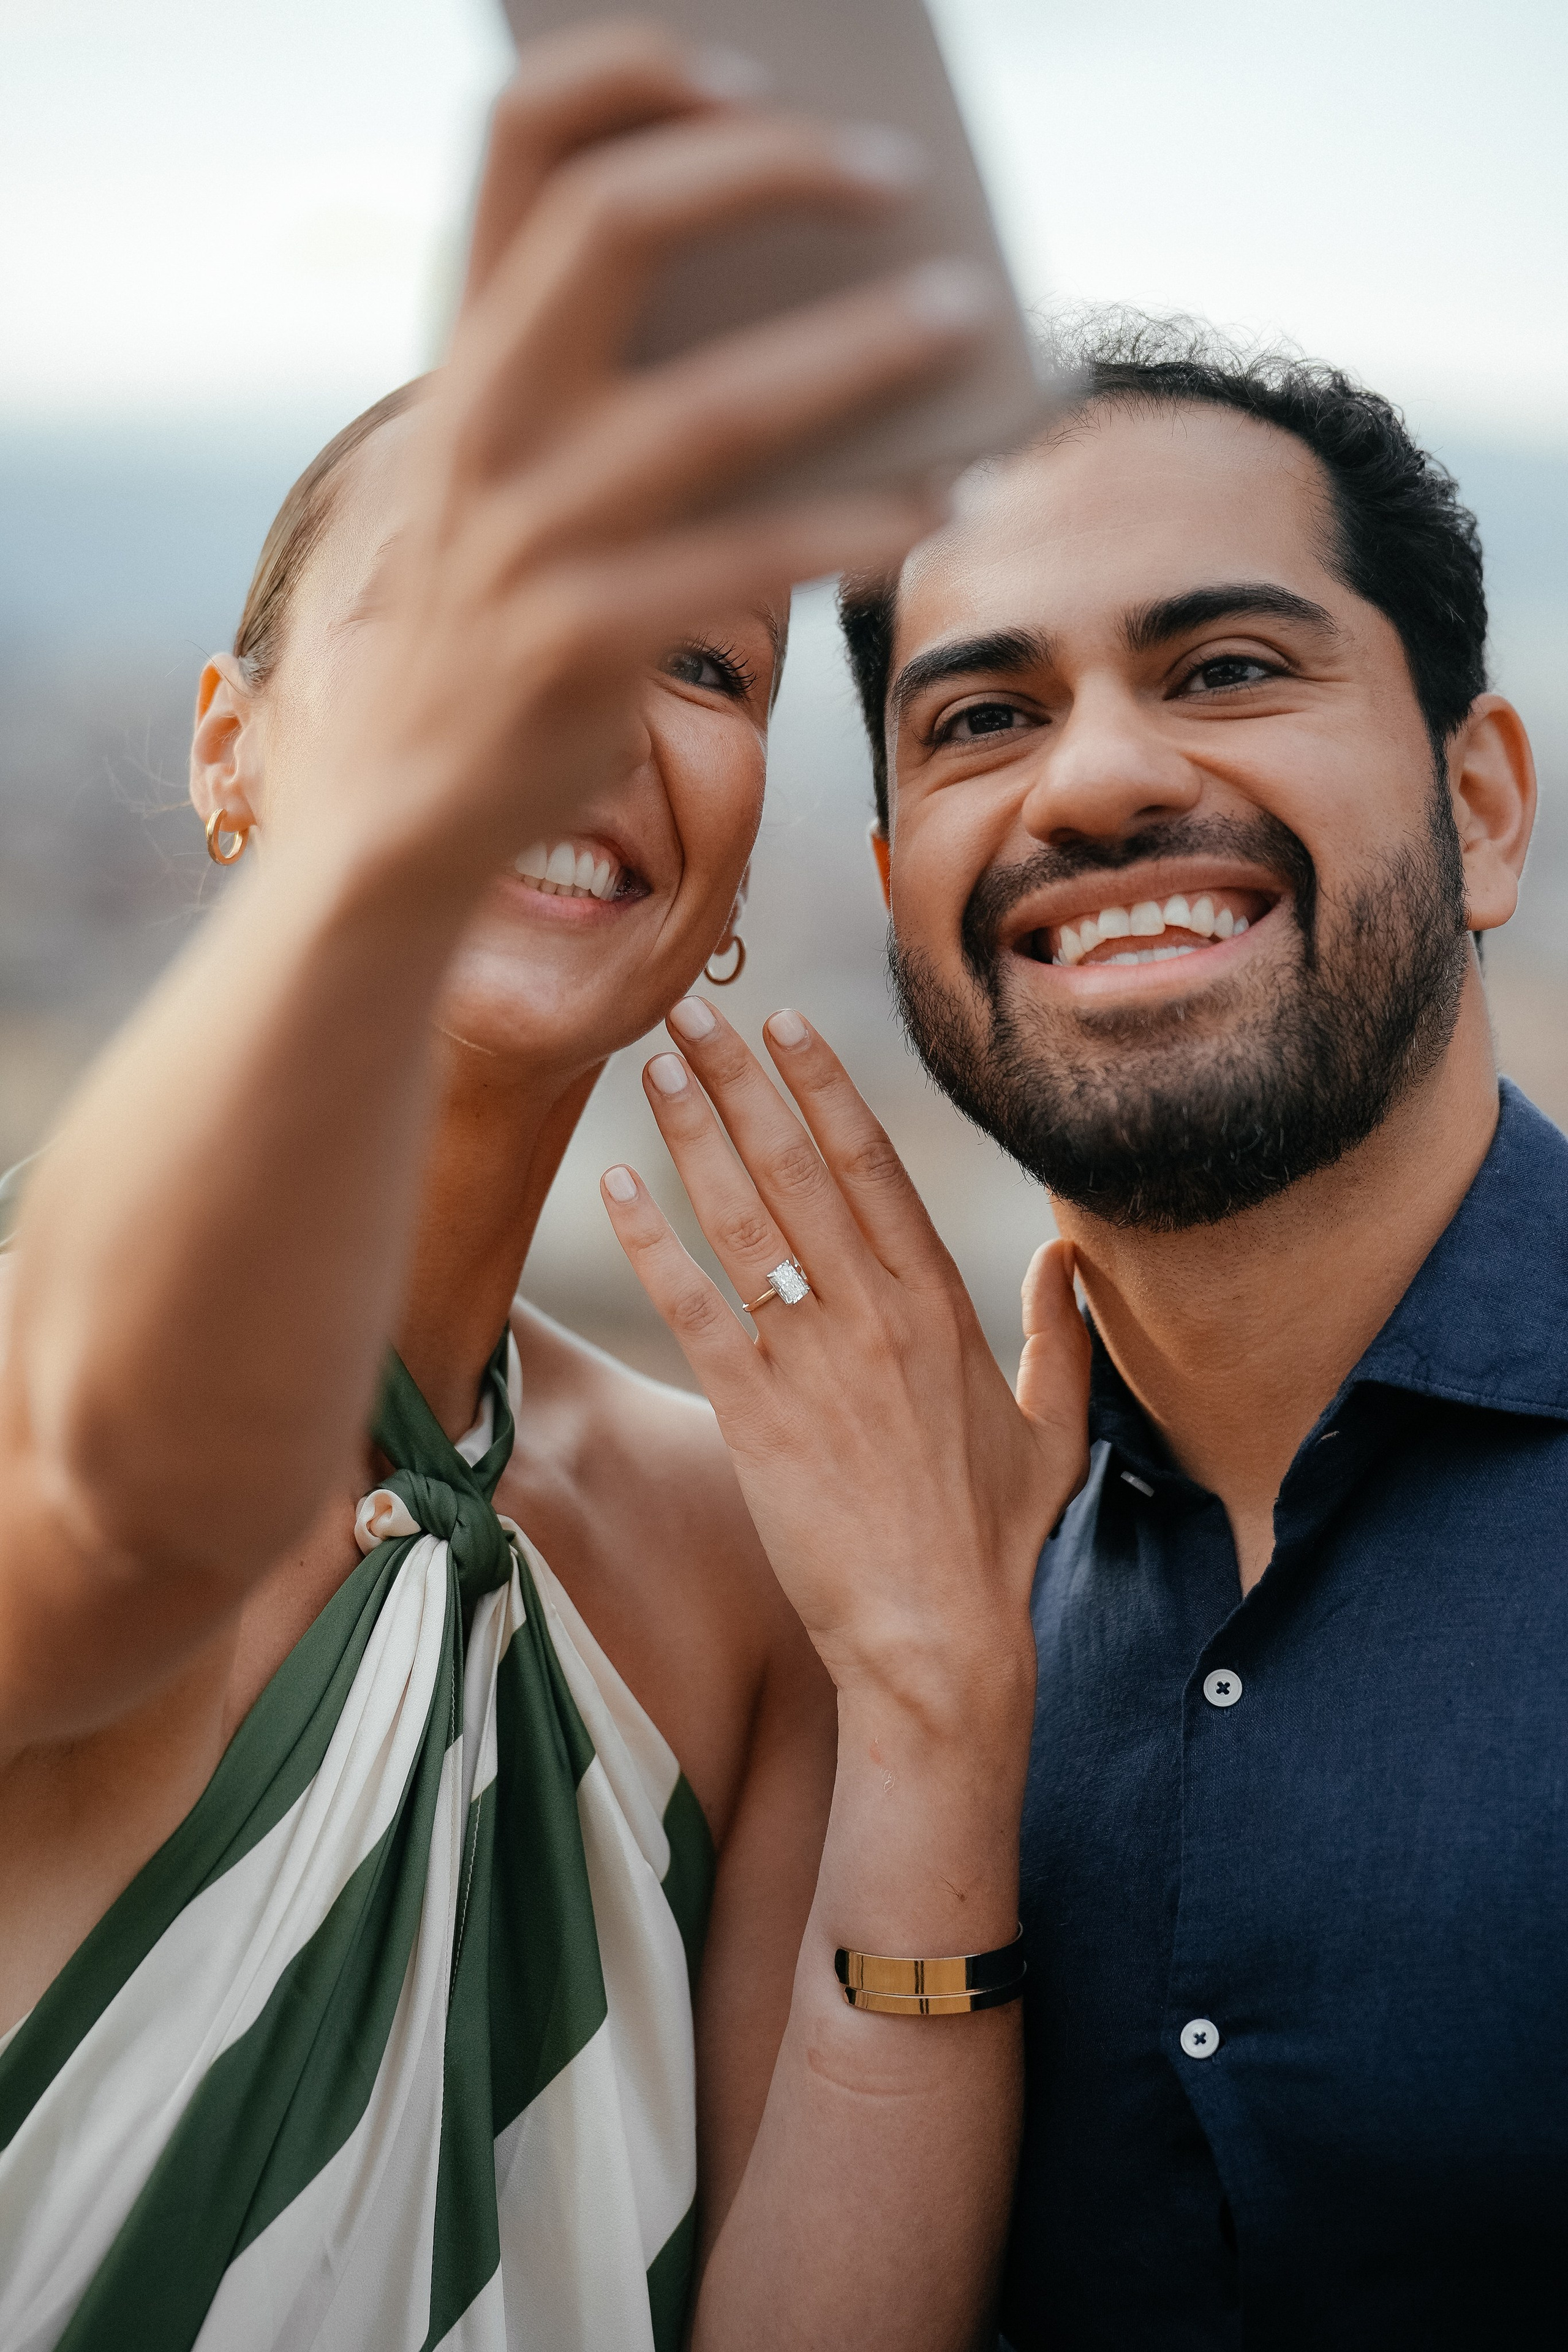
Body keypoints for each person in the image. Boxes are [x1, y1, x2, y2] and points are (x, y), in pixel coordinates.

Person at [0, 28, 1093, 2350]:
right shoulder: (47, 1388)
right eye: (499, 601)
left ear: (729, 869)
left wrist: (935, 1704)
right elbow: (125, 1510)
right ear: (231, 745)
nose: (585, 703)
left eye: (700, 658)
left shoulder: (750, 1550)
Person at [832, 315, 1564, 2346]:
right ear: (901, 891)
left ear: (1482, 802)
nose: (1101, 778)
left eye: (1227, 670)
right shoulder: (890, 1638)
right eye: (979, 718)